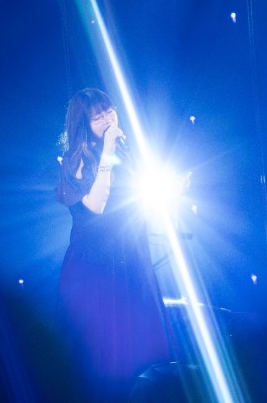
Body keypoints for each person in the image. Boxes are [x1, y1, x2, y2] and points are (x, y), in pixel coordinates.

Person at [56, 88, 172, 401]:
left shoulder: (127, 152)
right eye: (98, 116)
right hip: (94, 268)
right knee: (102, 358)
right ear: (84, 124)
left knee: (141, 356)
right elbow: (96, 205)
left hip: (131, 259)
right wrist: (107, 153)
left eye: (110, 111)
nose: (108, 118)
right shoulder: (74, 163)